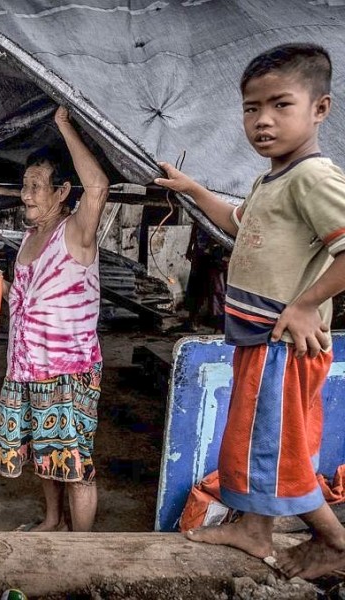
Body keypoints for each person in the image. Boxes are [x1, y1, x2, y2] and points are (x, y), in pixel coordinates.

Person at [154, 43, 345, 579]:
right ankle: (254, 528)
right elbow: (238, 222)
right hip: (257, 343)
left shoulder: (313, 177)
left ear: (320, 109)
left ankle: (334, 542)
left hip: (285, 347)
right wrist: (193, 190)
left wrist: (307, 305)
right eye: (251, 108)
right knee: (247, 445)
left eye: (280, 105)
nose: (262, 120)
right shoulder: (272, 181)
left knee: (279, 453)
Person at [0, 106, 109, 532]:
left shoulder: (76, 231)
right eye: (24, 185)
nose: (26, 194)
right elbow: (25, 304)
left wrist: (64, 126)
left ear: (62, 191)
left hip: (68, 371)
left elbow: (99, 186)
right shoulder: (30, 239)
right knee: (44, 454)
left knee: (74, 461)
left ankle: (81, 544)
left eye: (36, 187)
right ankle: (53, 521)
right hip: (27, 369)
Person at [183, 222, 229, 332]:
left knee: (217, 290)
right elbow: (196, 226)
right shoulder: (200, 213)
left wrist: (226, 255)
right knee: (195, 287)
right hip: (201, 252)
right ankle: (193, 321)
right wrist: (190, 247)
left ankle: (219, 326)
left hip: (217, 254)